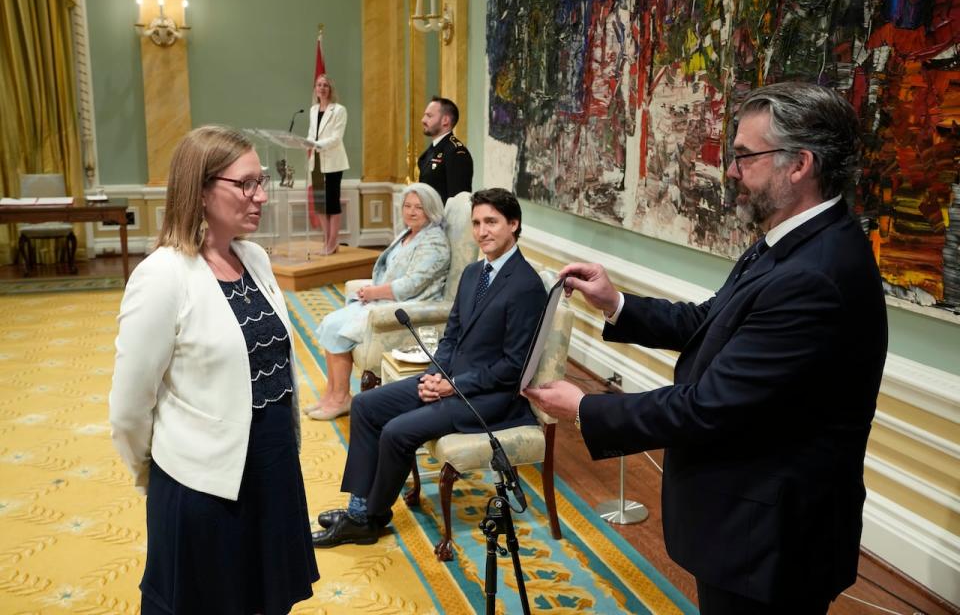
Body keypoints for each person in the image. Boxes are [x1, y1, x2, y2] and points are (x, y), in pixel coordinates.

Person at [525, 82, 888, 615]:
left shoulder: (815, 275)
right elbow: (711, 320)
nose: (733, 171)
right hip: (751, 526)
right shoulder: (794, 240)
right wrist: (616, 302)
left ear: (799, 164)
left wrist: (585, 408)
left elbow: (709, 405)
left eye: (744, 156)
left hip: (768, 540)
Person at [109, 126, 319, 614]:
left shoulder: (254, 258)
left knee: (266, 600)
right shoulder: (163, 276)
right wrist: (157, 471)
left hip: (271, 468)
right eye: (246, 184)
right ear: (200, 191)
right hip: (203, 484)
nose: (261, 195)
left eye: (261, 181)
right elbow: (128, 408)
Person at [312, 188, 546, 547]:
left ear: (513, 224)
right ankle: (360, 508)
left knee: (395, 431)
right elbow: (451, 336)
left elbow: (513, 368)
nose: (482, 231)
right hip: (450, 381)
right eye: (477, 223)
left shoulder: (526, 285)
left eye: (492, 222)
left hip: (488, 399)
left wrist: (454, 386)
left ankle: (369, 519)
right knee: (365, 405)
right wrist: (437, 374)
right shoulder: (472, 274)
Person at [306, 183, 451, 420]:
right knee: (330, 322)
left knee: (337, 329)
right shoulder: (410, 233)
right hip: (383, 301)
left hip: (407, 305)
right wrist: (372, 291)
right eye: (407, 206)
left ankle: (341, 398)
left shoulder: (434, 241)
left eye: (419, 207)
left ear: (431, 210)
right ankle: (332, 395)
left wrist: (375, 293)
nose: (411, 212)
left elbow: (413, 284)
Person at [307, 74, 349, 254]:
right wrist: (307, 142)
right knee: (319, 203)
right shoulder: (313, 110)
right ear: (315, 89)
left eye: (325, 85)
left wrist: (317, 145)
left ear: (330, 89)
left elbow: (336, 137)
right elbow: (311, 133)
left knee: (332, 203)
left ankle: (333, 241)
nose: (322, 88)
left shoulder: (339, 110)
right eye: (319, 85)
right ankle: (327, 240)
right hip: (315, 161)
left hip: (333, 162)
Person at [417, 96, 472, 203]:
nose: (423, 120)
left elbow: (458, 202)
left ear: (445, 120)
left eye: (429, 116)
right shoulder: (431, 150)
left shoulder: (456, 152)